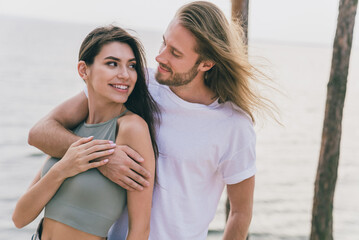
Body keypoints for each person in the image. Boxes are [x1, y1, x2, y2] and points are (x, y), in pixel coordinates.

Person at [28, 1, 275, 239]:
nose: (160, 57)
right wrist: (104, 159)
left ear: (206, 63)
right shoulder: (135, 83)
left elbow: (240, 213)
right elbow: (40, 133)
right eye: (164, 43)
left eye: (175, 54)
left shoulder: (234, 126)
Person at [12, 25, 158, 240]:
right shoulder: (72, 129)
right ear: (83, 70)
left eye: (132, 66)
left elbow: (139, 229)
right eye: (112, 64)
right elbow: (20, 218)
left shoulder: (131, 128)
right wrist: (63, 168)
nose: (125, 75)